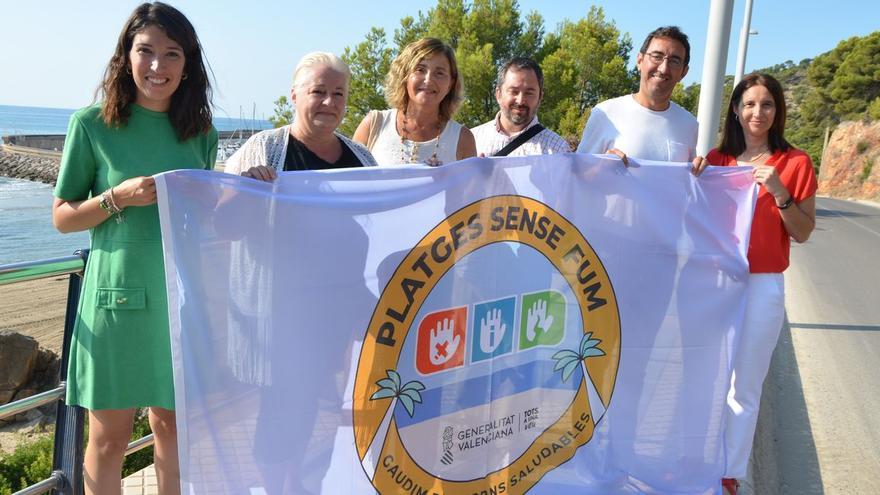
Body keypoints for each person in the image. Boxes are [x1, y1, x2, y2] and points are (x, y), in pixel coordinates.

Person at [51, 3, 218, 494]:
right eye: (145, 51)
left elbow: (203, 218)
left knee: (174, 433)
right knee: (108, 441)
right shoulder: (91, 124)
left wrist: (243, 190)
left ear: (188, 64)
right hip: (115, 306)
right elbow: (62, 217)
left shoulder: (201, 133)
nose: (157, 67)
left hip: (181, 302)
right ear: (125, 56)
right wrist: (114, 198)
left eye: (172, 54)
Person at [699, 73, 817, 495]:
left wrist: (780, 191)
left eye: (767, 104)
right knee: (706, 376)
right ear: (735, 108)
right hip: (715, 284)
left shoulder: (795, 162)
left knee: (744, 385)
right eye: (749, 104)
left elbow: (802, 232)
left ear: (777, 111)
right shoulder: (717, 159)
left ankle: (732, 473)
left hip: (763, 285)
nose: (757, 112)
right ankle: (700, 458)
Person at [225, 52, 376, 178]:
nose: (329, 102)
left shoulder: (363, 157)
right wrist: (243, 186)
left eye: (338, 93)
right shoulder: (263, 147)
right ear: (294, 96)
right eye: (318, 92)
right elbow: (222, 207)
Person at [576, 26, 697, 163]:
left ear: (684, 72)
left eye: (674, 61)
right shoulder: (605, 113)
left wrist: (703, 172)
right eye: (657, 57)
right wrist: (600, 167)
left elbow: (689, 180)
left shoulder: (689, 124)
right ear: (639, 61)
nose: (664, 68)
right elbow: (578, 175)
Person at [353, 37, 476, 166]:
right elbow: (350, 181)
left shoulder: (463, 139)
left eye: (439, 73)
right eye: (420, 70)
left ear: (450, 84)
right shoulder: (374, 125)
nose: (428, 80)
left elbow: (473, 186)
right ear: (404, 77)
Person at [471, 57, 570, 156]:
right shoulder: (472, 141)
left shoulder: (558, 150)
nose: (520, 100)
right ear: (498, 94)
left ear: (540, 97)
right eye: (514, 91)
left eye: (529, 93)